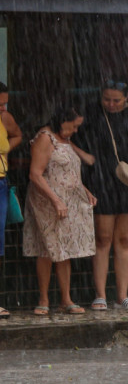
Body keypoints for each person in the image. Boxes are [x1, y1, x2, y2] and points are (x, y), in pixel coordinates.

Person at [77, 78, 128, 311]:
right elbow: (65, 136)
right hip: (101, 179)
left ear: (126, 97)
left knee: (125, 239)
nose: (110, 104)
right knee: (103, 238)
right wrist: (86, 156)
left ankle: (122, 295)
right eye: (106, 99)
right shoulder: (91, 113)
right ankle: (100, 295)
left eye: (116, 100)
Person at [23, 104, 97, 316]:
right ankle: (43, 298)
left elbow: (69, 172)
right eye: (74, 126)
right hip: (47, 201)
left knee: (64, 249)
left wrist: (85, 191)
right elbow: (35, 174)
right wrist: (55, 200)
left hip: (68, 201)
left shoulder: (66, 139)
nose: (75, 130)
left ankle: (66, 299)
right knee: (47, 248)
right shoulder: (45, 138)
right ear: (63, 121)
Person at [0, 82, 23, 319]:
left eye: (5, 103)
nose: (2, 108)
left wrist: (5, 150)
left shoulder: (5, 118)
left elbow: (17, 135)